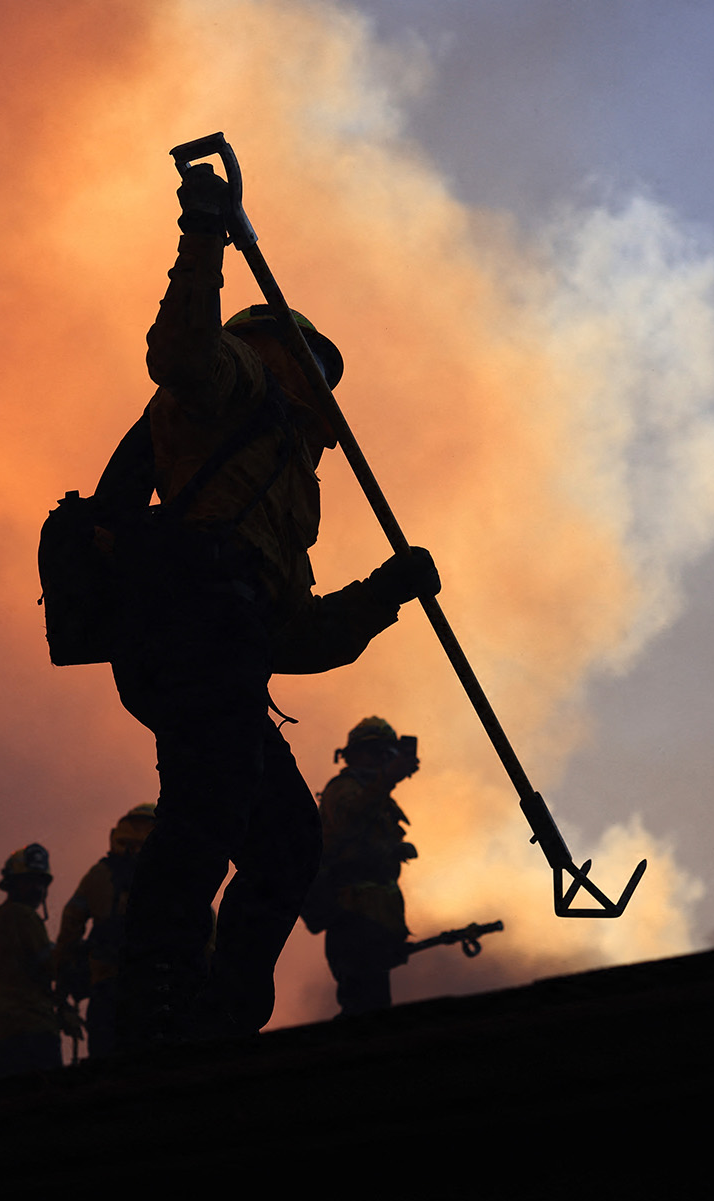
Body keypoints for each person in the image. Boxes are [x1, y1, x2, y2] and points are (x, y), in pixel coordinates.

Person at [108, 163, 441, 1048]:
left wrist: (384, 594)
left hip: (229, 646)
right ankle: (160, 995)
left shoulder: (287, 481)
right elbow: (179, 349)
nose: (332, 410)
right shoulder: (236, 386)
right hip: (191, 627)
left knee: (287, 842)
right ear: (291, 359)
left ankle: (219, 1008)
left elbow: (296, 635)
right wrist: (204, 235)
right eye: (322, 377)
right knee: (207, 806)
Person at [301, 718, 420, 1014]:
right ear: (353, 754)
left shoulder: (380, 799)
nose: (382, 759)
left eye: (387, 753)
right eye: (376, 751)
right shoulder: (342, 789)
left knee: (375, 1007)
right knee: (363, 1010)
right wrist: (387, 779)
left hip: (377, 919)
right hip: (350, 918)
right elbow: (348, 820)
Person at [56, 803, 156, 1057]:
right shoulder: (170, 875)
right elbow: (203, 931)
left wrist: (64, 970)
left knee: (106, 1065)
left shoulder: (99, 874)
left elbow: (70, 926)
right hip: (155, 988)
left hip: (106, 987)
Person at [0, 844, 66, 1078]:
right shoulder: (21, 916)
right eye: (30, 881)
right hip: (29, 1033)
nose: (38, 889)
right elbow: (51, 965)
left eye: (42, 883)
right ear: (13, 884)